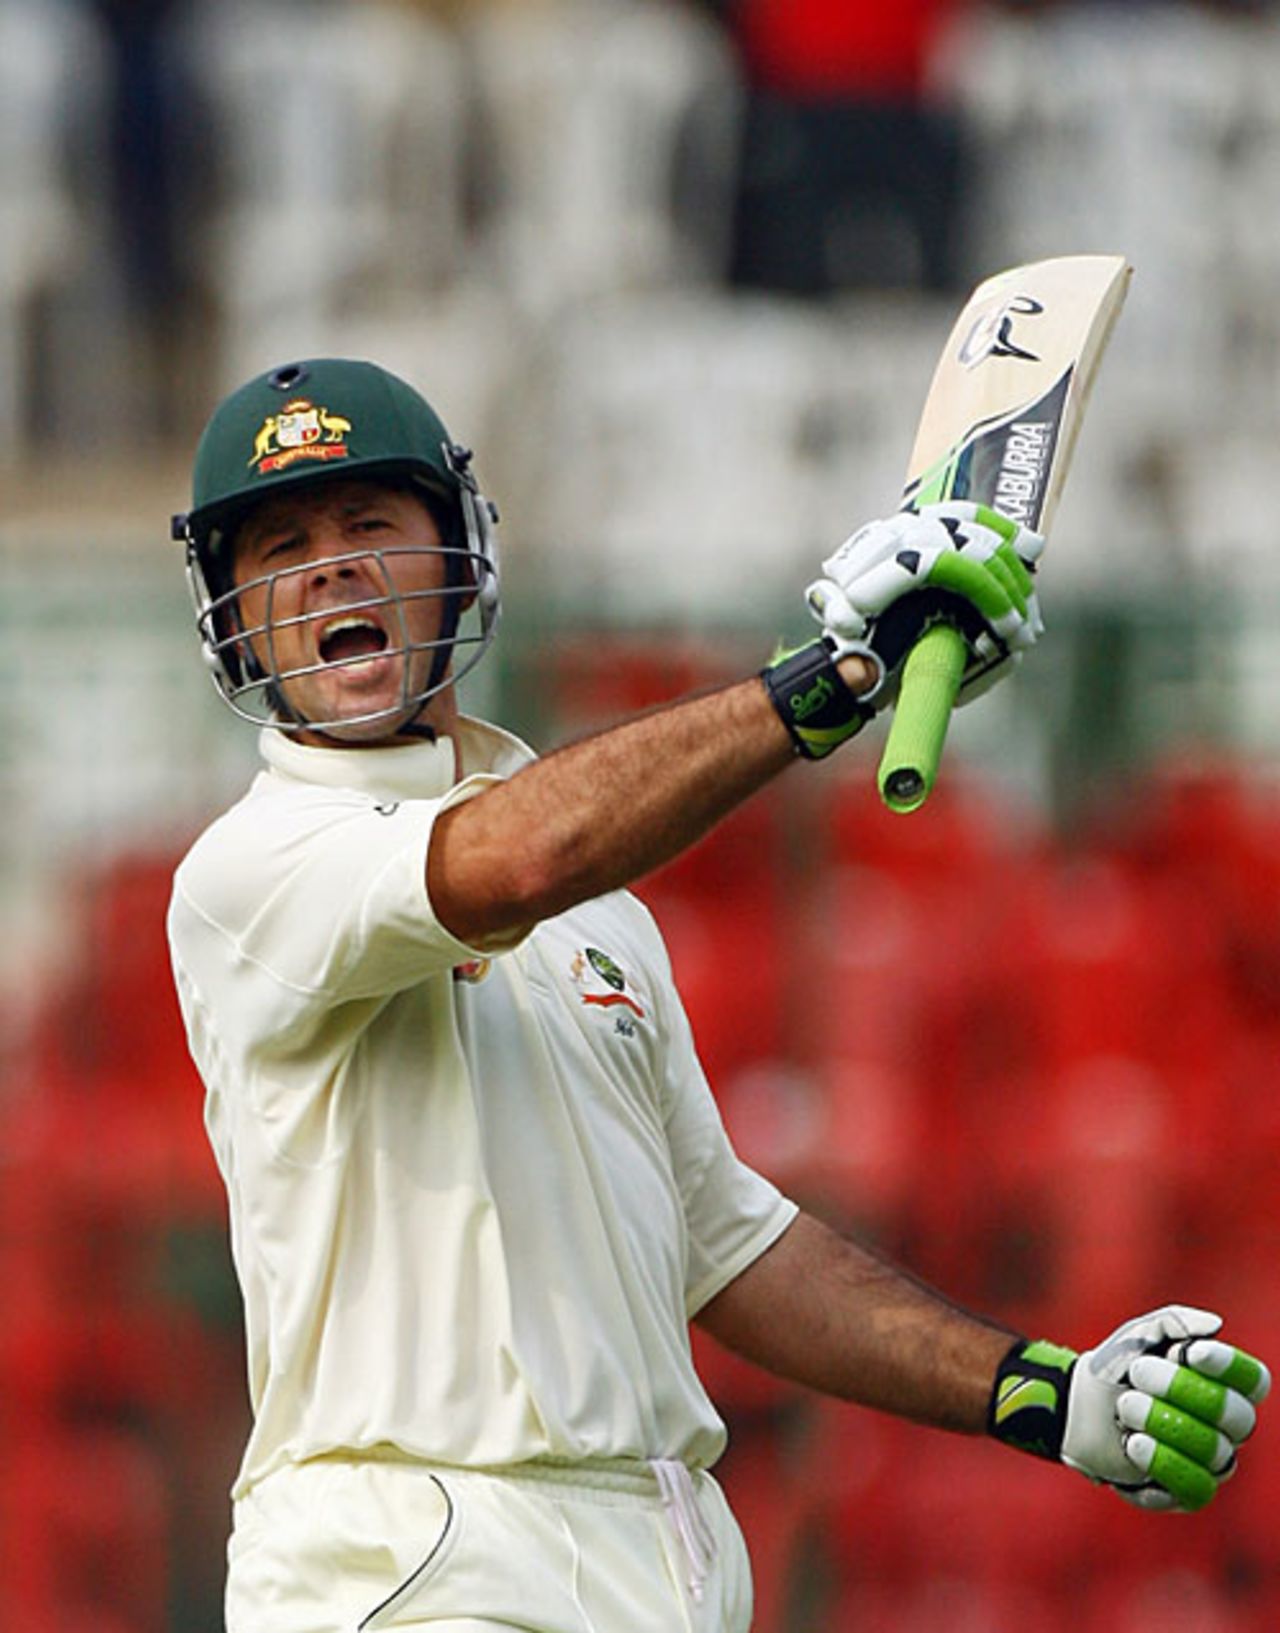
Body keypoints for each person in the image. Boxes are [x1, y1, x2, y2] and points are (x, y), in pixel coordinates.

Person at [167, 357, 1268, 1633]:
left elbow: (730, 1246)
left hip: (657, 1570)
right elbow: (512, 858)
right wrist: (835, 679)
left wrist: (1037, 1392)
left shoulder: (602, 919)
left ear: (458, 560)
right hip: (405, 1569)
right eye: (283, 548)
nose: (330, 569)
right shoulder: (249, 873)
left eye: (369, 525)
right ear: (234, 615)